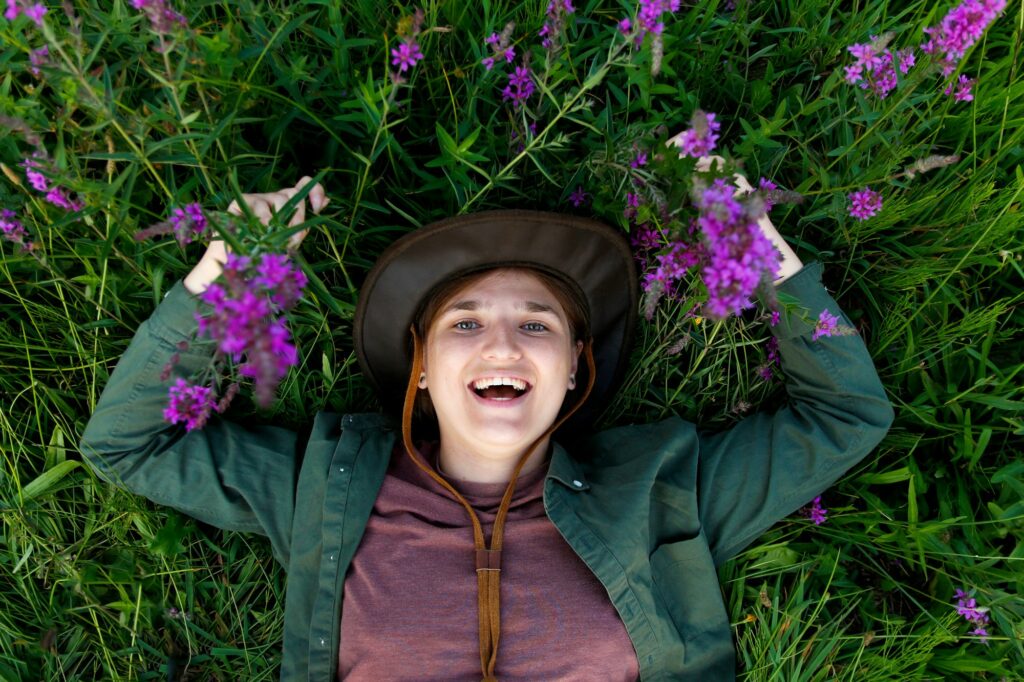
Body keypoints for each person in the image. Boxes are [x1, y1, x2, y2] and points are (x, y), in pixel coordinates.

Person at [79, 171, 894, 681]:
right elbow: (129, 442)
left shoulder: (660, 488)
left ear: (574, 365)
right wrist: (229, 274)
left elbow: (845, 416)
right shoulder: (325, 491)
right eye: (464, 324)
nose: (502, 342)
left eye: (536, 325)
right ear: (423, 365)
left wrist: (756, 248)